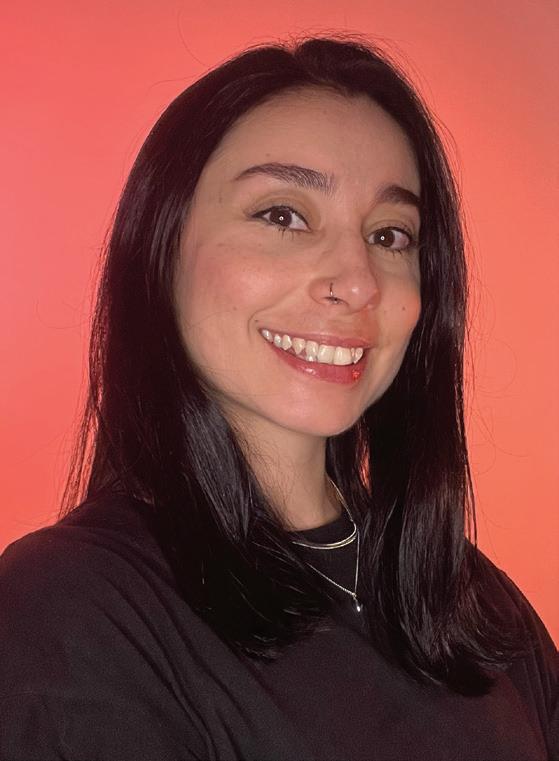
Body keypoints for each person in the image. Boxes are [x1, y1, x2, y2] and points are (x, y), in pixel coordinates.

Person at [0, 35, 557, 761]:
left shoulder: (473, 599)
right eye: (283, 215)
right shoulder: (69, 608)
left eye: (389, 234)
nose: (356, 280)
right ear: (161, 247)